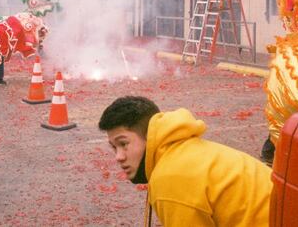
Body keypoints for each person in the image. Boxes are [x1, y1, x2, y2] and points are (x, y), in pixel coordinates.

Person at [98, 96, 272, 227]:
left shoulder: (171, 178)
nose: (118, 156)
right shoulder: (183, 151)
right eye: (114, 147)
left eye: (123, 144)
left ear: (149, 136)